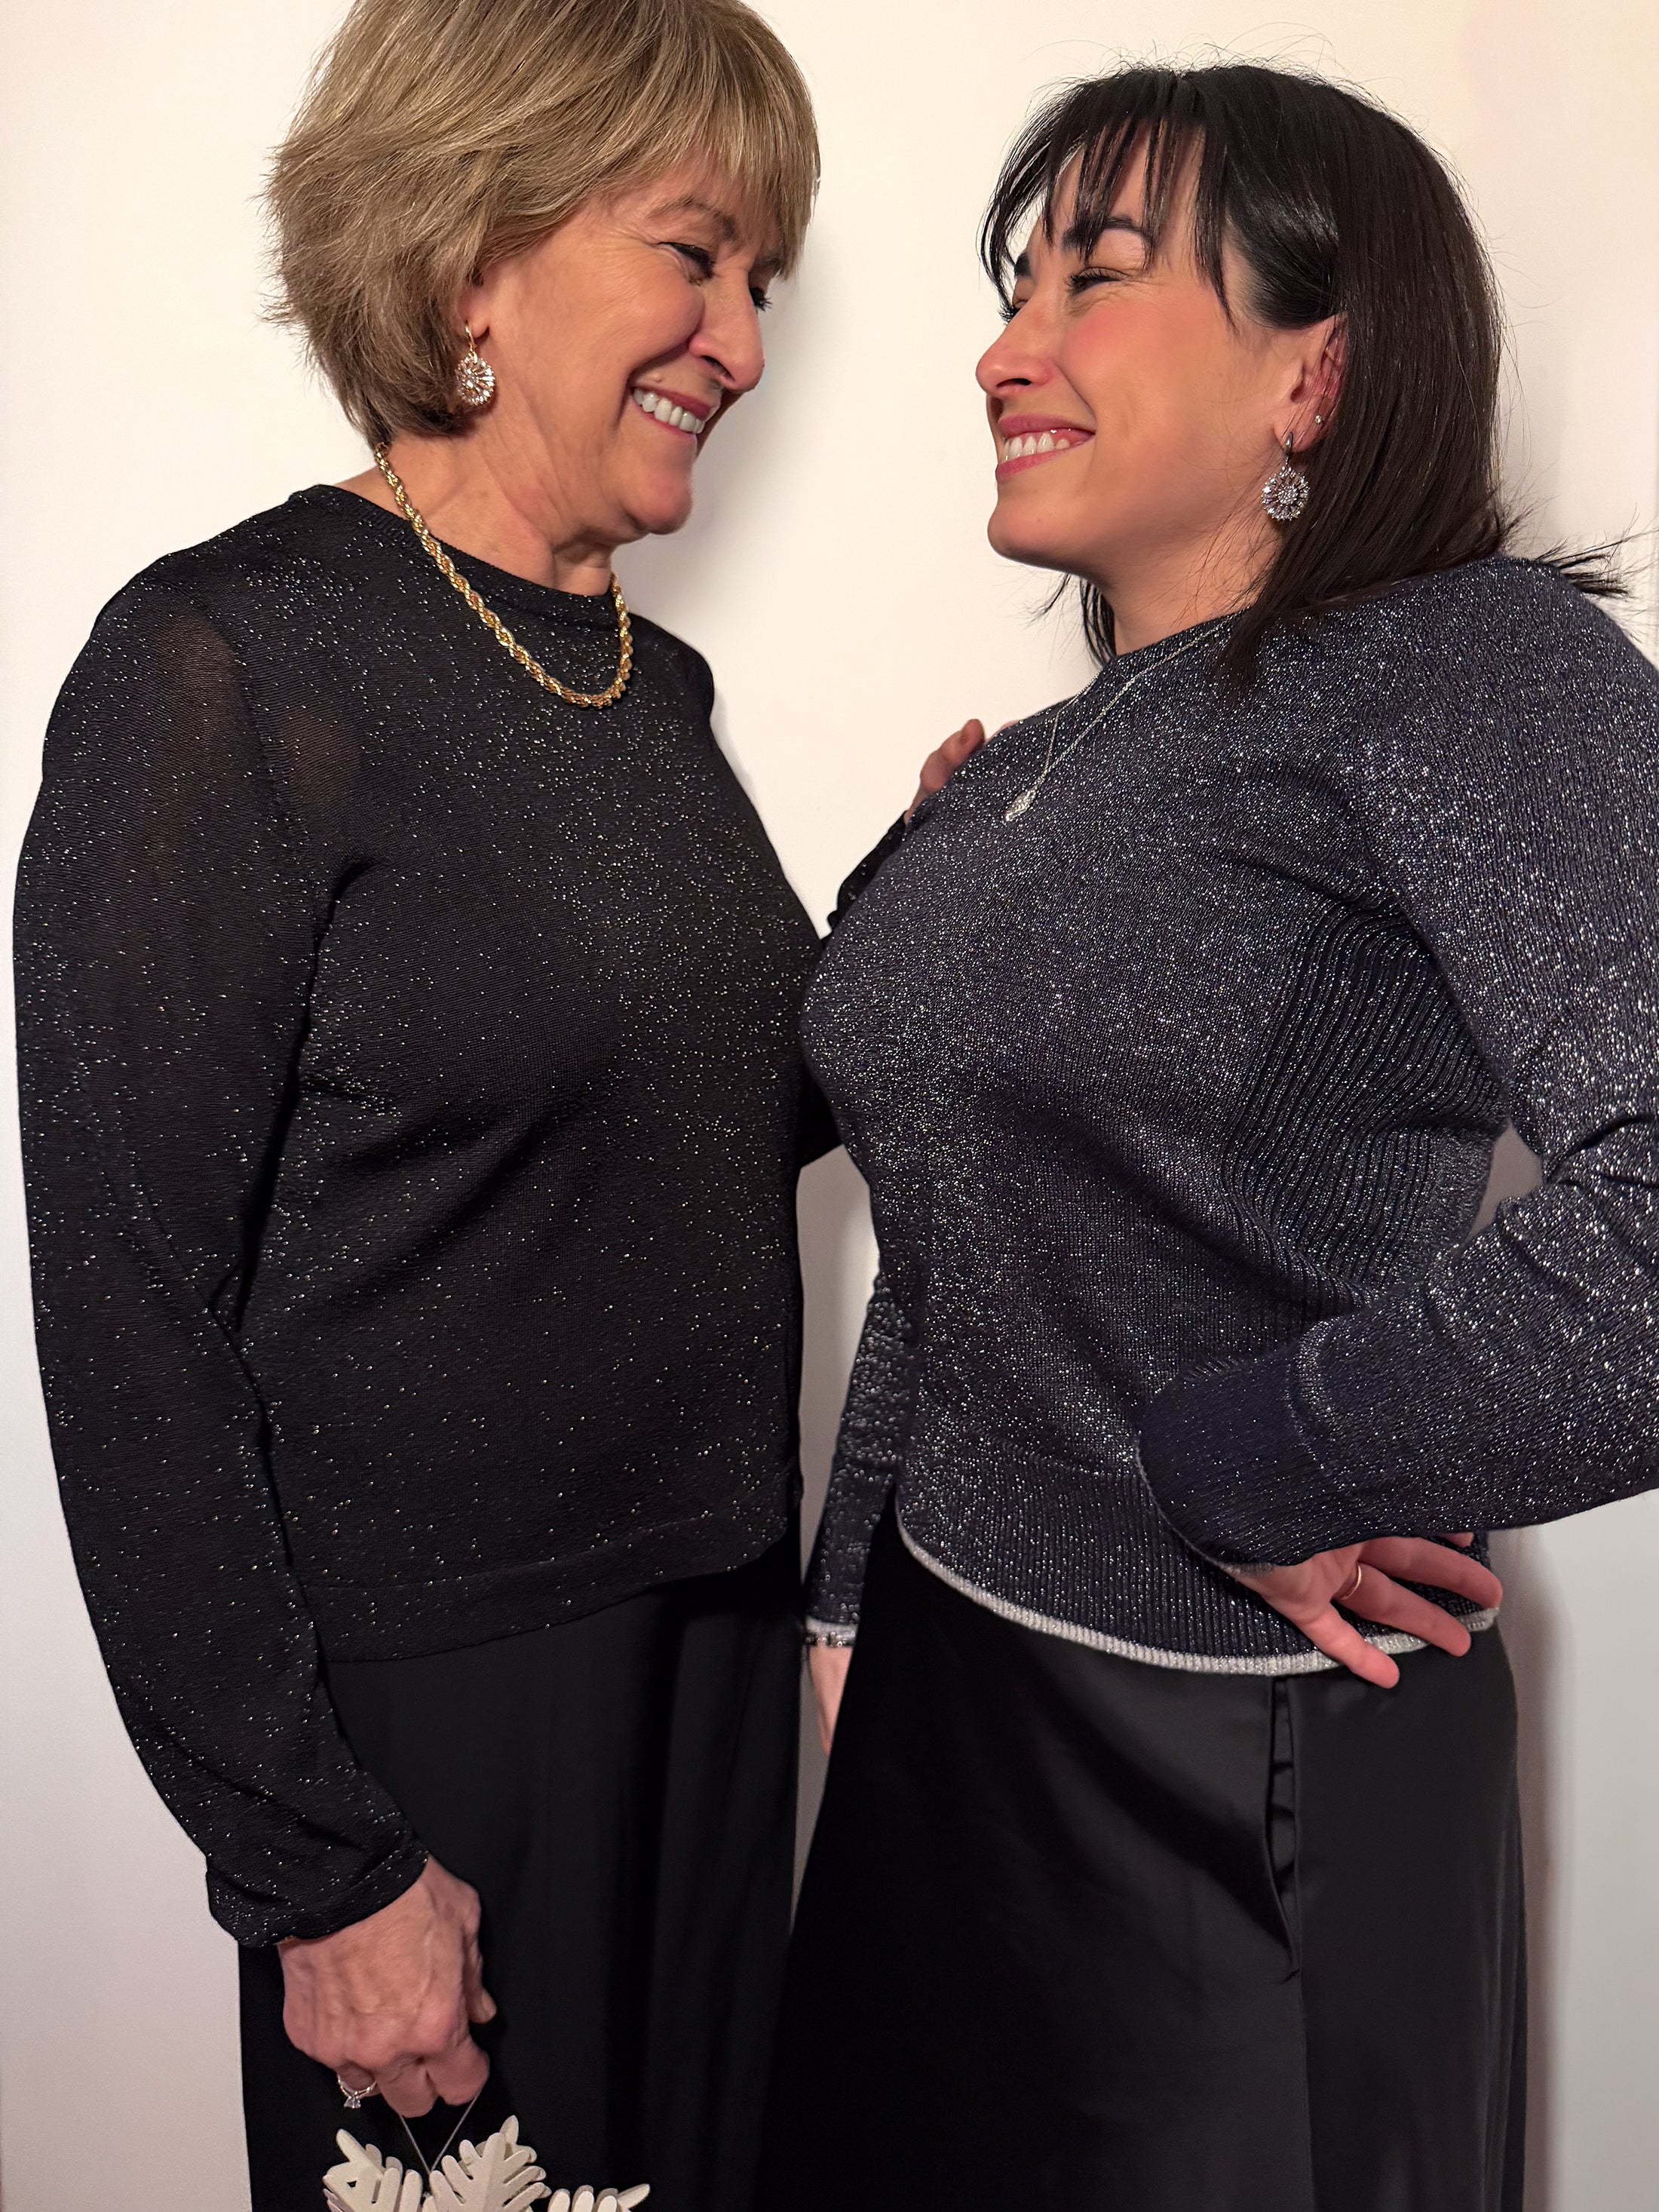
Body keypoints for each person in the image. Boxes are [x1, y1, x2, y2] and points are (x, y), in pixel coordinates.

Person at [760, 63, 1659, 2212]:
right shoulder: (1031, 767)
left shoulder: (1470, 668)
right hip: (940, 1719)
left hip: (1237, 1763)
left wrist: (1265, 1459)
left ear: (1310, 371)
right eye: (1013, 289)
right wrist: (849, 1598)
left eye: (1095, 276)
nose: (1006, 349)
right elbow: (953, 1201)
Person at [14, 2, 830, 2204]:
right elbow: (127, 1312)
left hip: (717, 1661)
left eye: (763, 281)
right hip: (432, 1740)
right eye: (696, 257)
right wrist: (314, 1861)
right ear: (476, 254)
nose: (745, 344)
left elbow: (700, 1107)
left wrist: (954, 915)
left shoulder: (649, 680)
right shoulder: (223, 666)